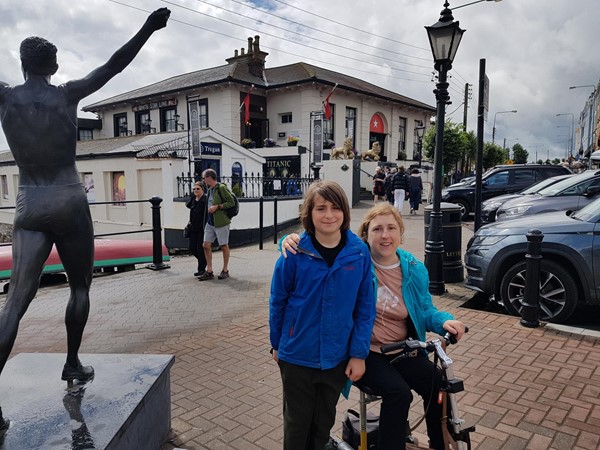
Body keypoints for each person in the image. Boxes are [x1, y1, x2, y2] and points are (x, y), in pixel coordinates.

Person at [0, 7, 170, 431]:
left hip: (30, 203)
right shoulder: (67, 94)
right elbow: (115, 64)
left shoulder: (5, 98)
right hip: (70, 201)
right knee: (80, 287)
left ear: (22, 64)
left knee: (15, 303)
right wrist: (148, 27)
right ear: (54, 65)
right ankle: (73, 362)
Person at [281, 203, 466, 450]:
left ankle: (439, 442)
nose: (385, 235)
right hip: (366, 351)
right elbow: (323, 242)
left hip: (403, 347)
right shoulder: (354, 260)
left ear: (401, 233)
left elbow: (424, 309)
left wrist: (444, 320)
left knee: (437, 381)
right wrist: (288, 238)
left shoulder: (412, 268)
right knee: (398, 393)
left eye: (391, 228)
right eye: (377, 229)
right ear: (366, 234)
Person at [270, 180, 375, 450]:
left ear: (345, 212)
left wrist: (358, 354)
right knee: (296, 424)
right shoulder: (293, 252)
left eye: (335, 207)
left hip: (336, 357)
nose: (329, 215)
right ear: (309, 213)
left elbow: (365, 307)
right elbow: (278, 300)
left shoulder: (359, 253)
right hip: (297, 356)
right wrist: (276, 343)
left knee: (322, 424)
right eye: (321, 208)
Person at [198, 169, 235, 281]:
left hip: (221, 222)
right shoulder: (209, 190)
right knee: (206, 245)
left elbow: (231, 202)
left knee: (223, 245)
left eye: (204, 178)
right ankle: (209, 271)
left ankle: (225, 270)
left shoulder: (221, 188)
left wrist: (217, 207)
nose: (203, 180)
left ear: (209, 177)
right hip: (210, 222)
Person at [186, 181, 207, 277]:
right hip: (193, 227)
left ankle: (201, 269)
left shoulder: (205, 200)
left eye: (198, 189)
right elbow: (188, 206)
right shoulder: (193, 199)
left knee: (200, 249)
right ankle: (204, 261)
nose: (195, 190)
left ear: (203, 189)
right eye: (194, 189)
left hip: (202, 228)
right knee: (192, 248)